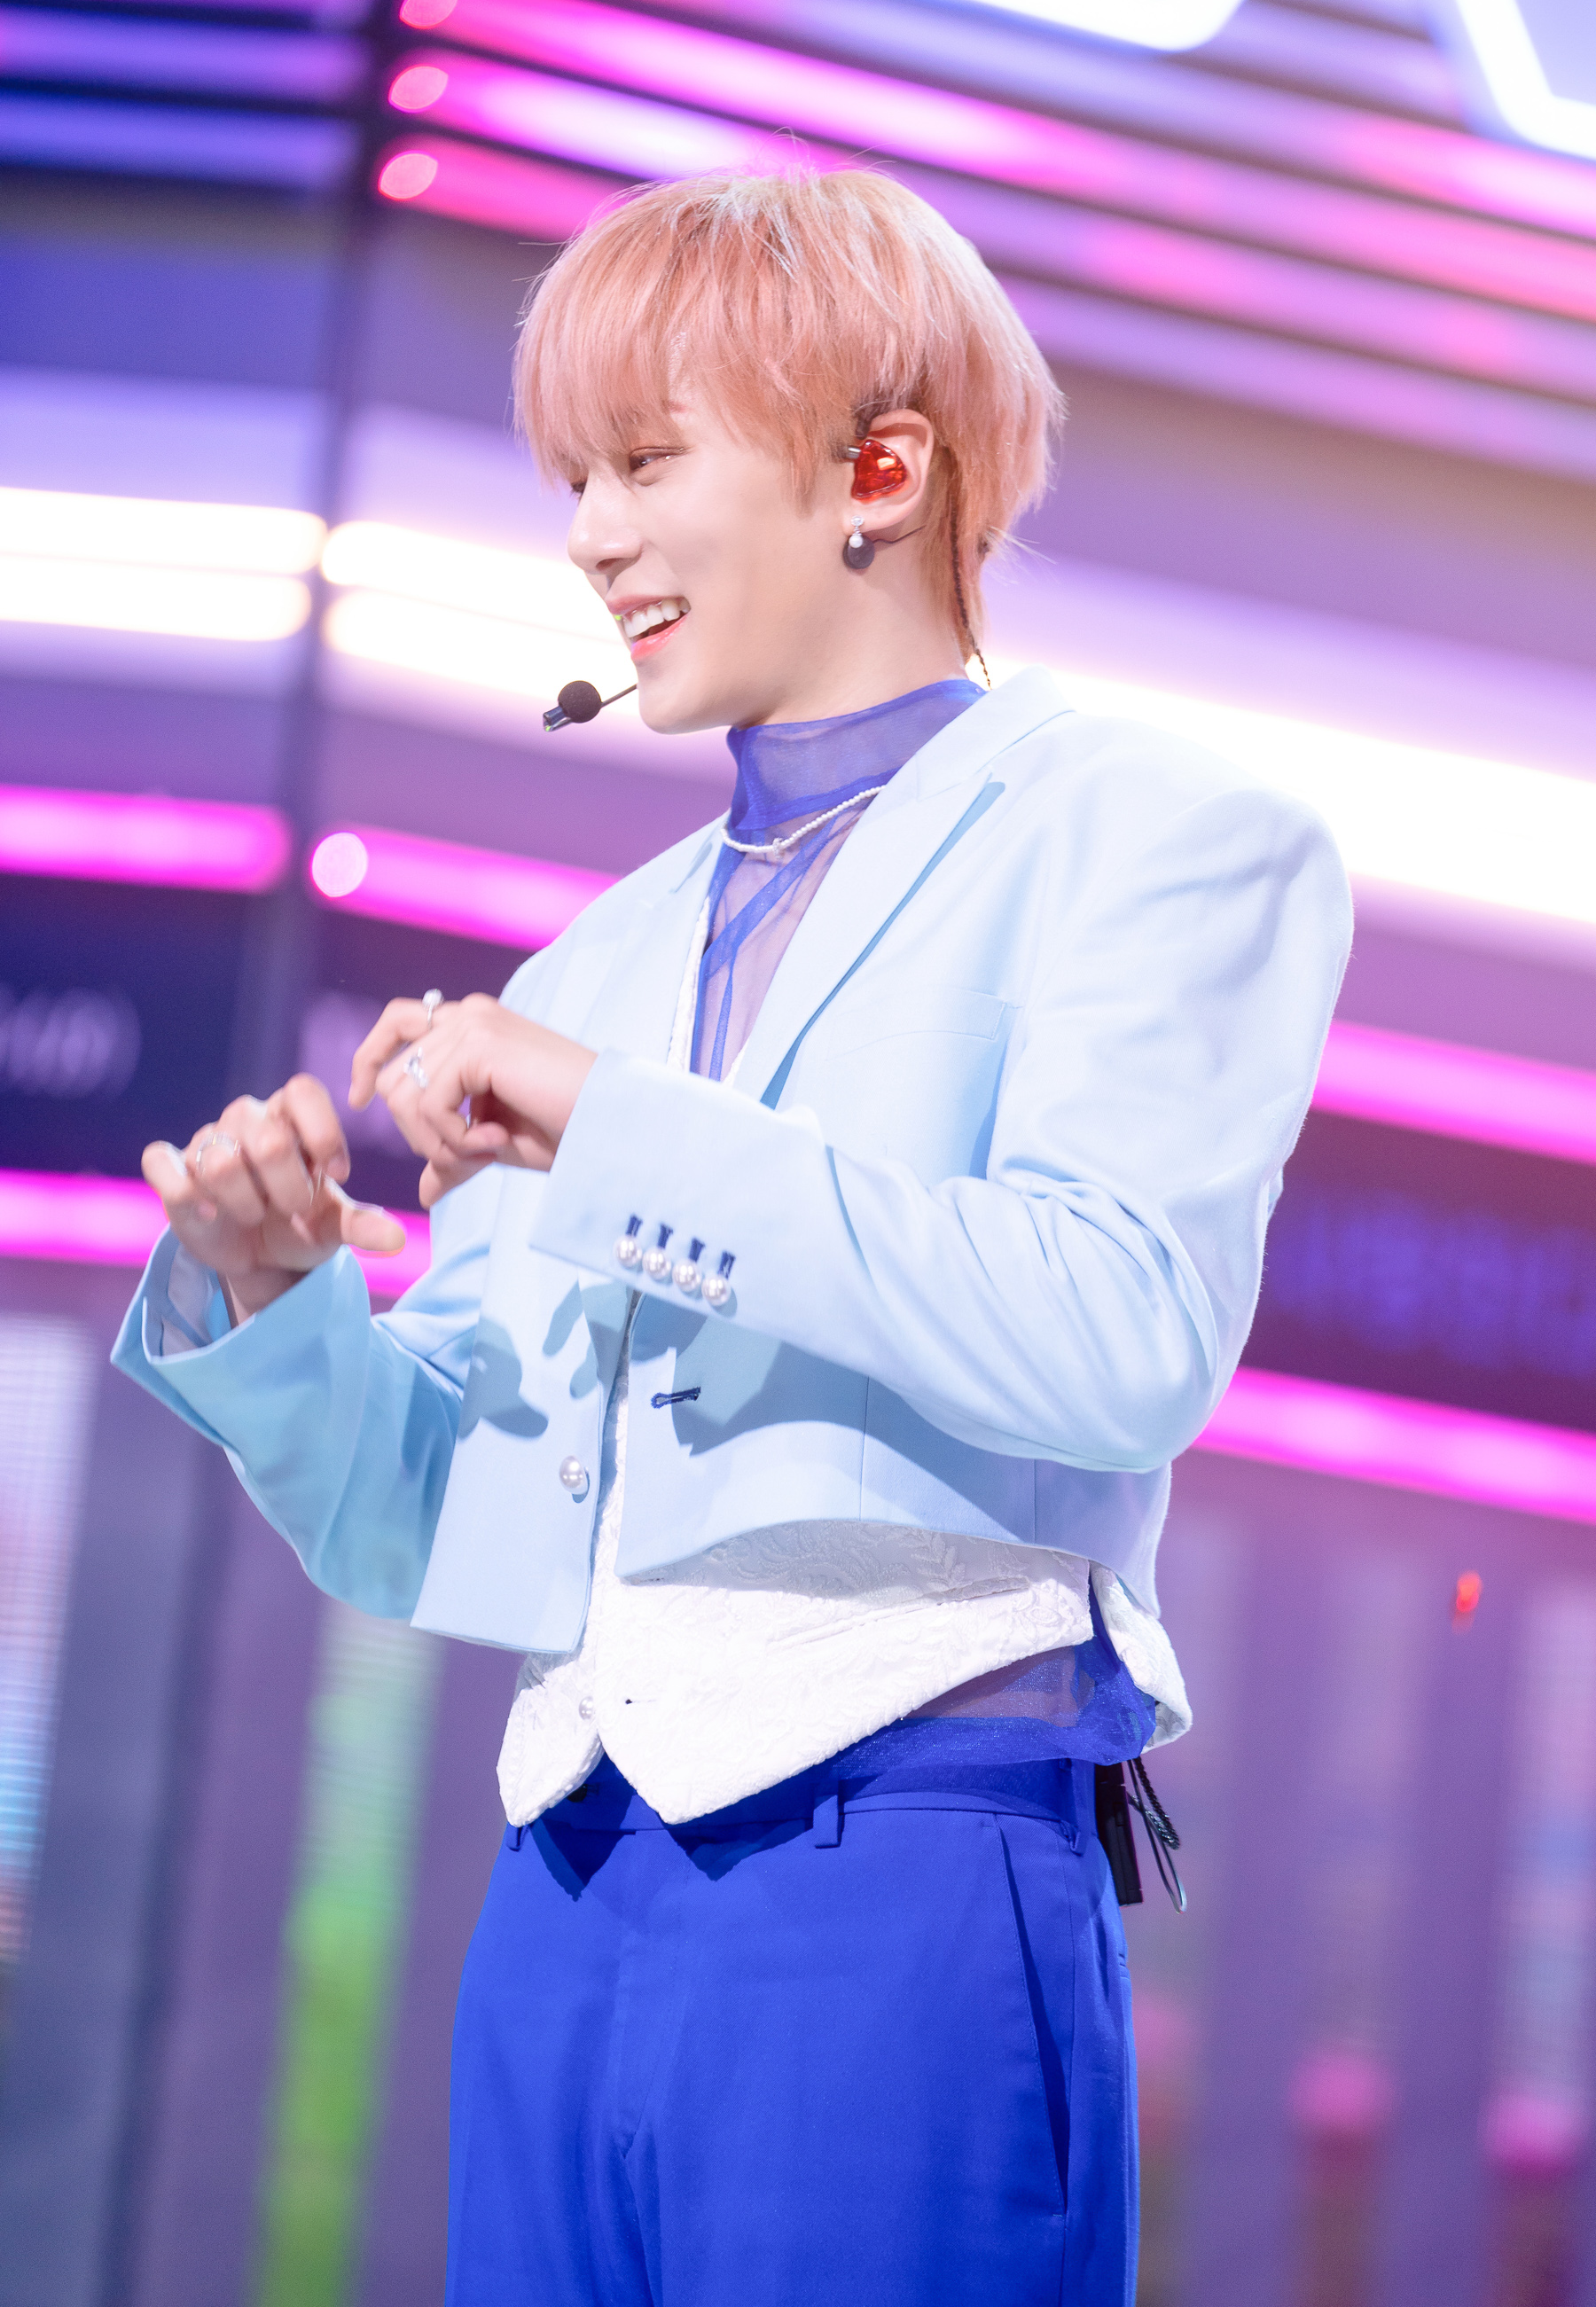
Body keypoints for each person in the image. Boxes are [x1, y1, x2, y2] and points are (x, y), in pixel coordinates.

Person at [114, 168, 1351, 2305]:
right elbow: (443, 1526)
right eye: (574, 480)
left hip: (903, 1878)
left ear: (881, 473)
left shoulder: (1157, 835)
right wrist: (277, 1292)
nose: (591, 537)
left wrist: (616, 1127)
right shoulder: (587, 964)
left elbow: (1119, 1332)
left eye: (646, 461)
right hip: (562, 1895)